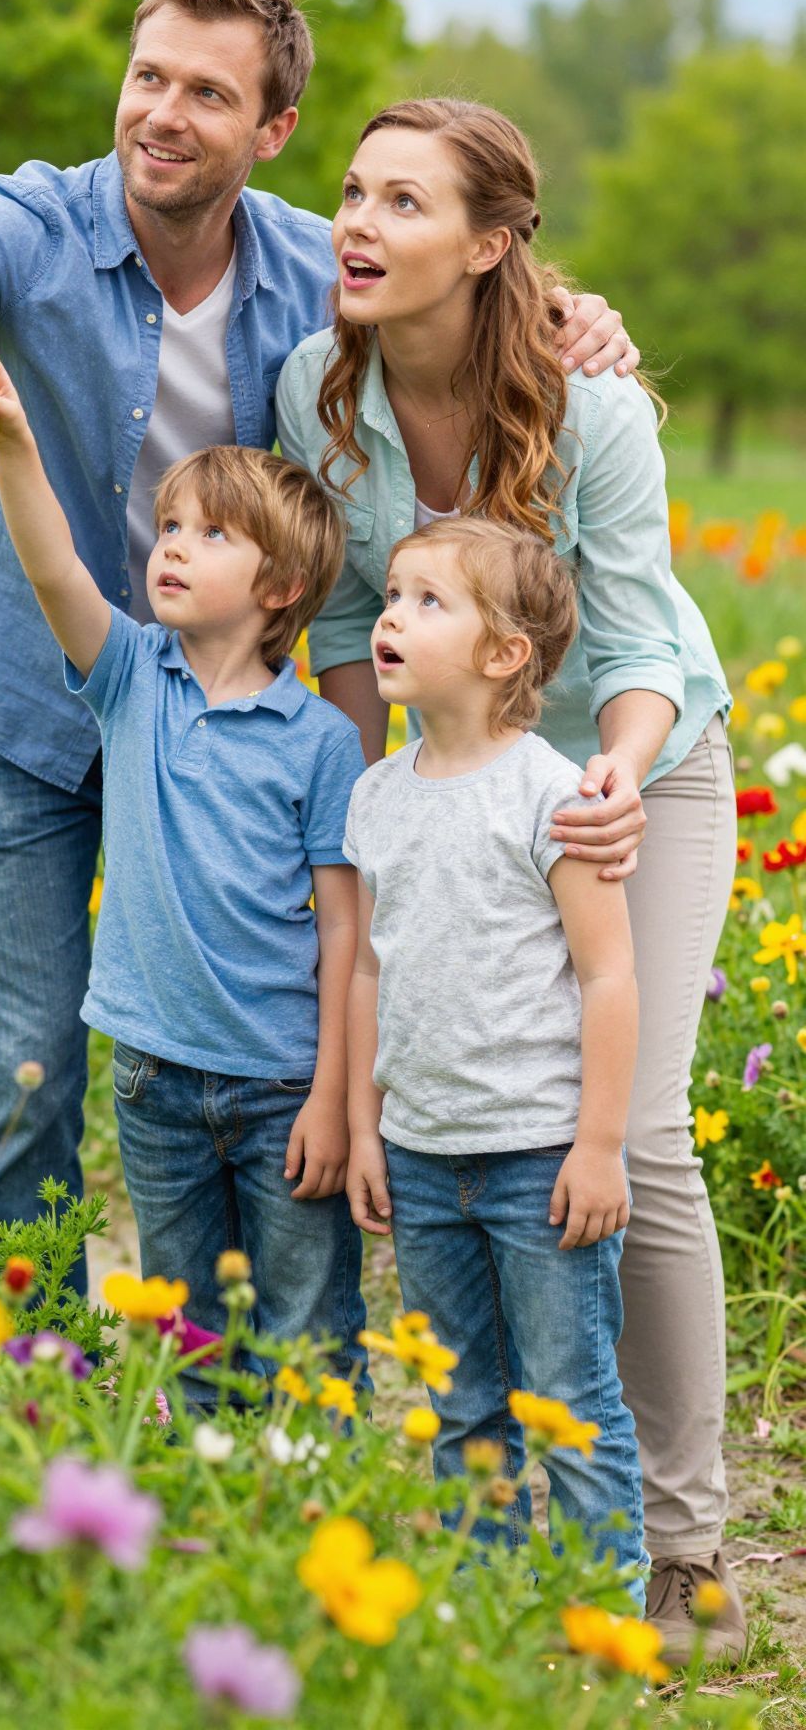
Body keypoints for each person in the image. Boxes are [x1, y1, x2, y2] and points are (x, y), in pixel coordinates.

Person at [0, 0, 635, 1281]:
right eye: (148, 77)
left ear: (272, 130)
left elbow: (471, 304)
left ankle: (256, 1361)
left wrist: (579, 323)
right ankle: (32, 1385)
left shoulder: (314, 269)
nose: (163, 113)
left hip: (229, 735)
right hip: (18, 700)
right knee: (24, 1069)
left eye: (207, 93)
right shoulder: (27, 225)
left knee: (259, 1045)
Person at [275, 97, 740, 1661]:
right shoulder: (315, 394)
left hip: (631, 772)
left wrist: (614, 771)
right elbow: (345, 633)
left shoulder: (588, 400)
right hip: (437, 783)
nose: (357, 220)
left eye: (402, 202)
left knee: (648, 1131)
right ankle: (500, 1536)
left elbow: (648, 629)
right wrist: (368, 815)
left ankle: (681, 1547)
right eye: (350, 190)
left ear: (486, 246)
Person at [0, 324, 370, 1402]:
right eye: (169, 525)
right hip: (153, 1074)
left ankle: (317, 1523)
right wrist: (12, 449)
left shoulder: (319, 740)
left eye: (209, 534)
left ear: (279, 584)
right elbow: (54, 568)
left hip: (284, 1085)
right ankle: (205, 1516)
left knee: (308, 1334)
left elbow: (343, 933)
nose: (169, 546)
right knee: (189, 1335)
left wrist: (335, 1096)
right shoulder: (133, 676)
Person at [345, 516, 647, 1606]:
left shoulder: (553, 795)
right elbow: (372, 972)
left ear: (504, 652)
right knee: (459, 1398)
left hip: (537, 1156)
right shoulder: (377, 793)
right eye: (390, 594)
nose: (390, 616)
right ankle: (484, 1609)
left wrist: (601, 1144)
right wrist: (369, 1126)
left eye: (429, 601)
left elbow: (609, 975)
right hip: (424, 1156)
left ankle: (599, 1611)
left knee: (568, 1394)